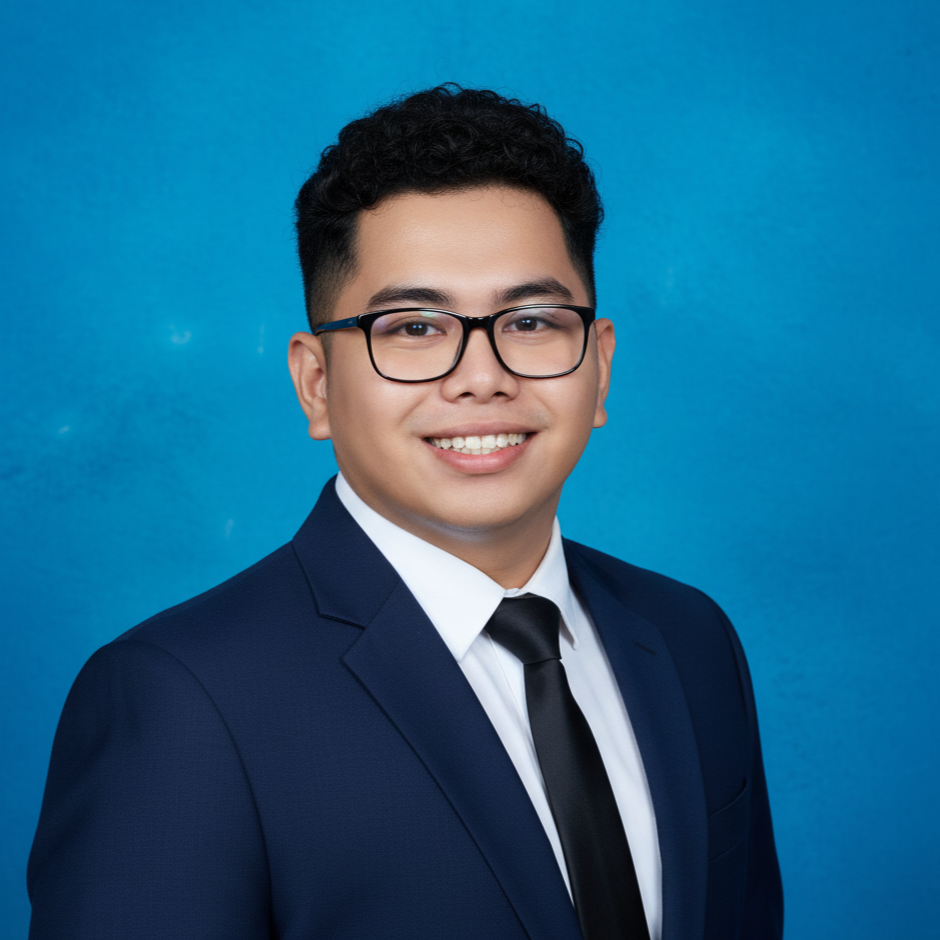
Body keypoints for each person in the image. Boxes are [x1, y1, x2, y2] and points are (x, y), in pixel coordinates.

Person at [27, 85, 783, 940]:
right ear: (317, 384)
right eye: (415, 328)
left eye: (531, 319)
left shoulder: (687, 637)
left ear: (599, 367)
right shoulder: (178, 701)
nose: (481, 376)